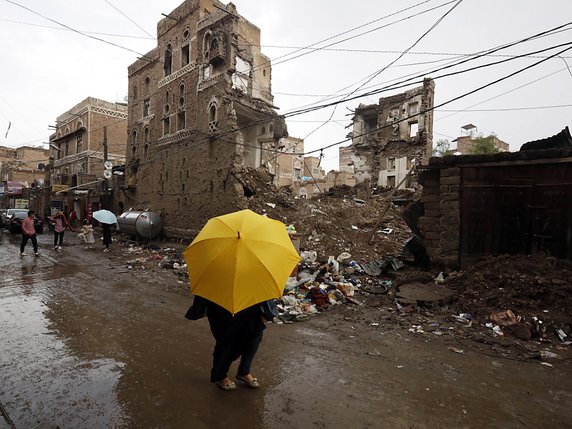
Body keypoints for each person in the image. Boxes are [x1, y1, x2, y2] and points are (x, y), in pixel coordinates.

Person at [196, 298, 276, 391]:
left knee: (253, 341)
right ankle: (220, 375)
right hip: (224, 309)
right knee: (228, 344)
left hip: (251, 306)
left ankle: (244, 372)